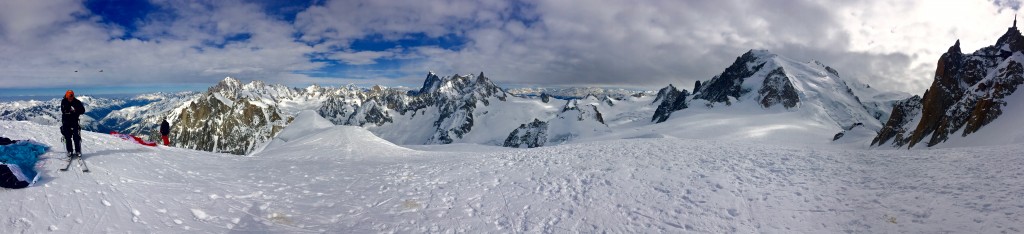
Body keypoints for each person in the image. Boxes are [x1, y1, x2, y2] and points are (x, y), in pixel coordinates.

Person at [60, 90, 86, 158]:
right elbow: (63, 110)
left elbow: (83, 110)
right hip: (66, 122)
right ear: (66, 96)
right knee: (67, 137)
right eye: (69, 97)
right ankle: (70, 151)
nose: (70, 98)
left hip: (74, 121)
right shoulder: (64, 101)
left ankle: (78, 151)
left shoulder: (77, 102)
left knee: (76, 137)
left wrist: (75, 111)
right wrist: (71, 111)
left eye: (71, 97)